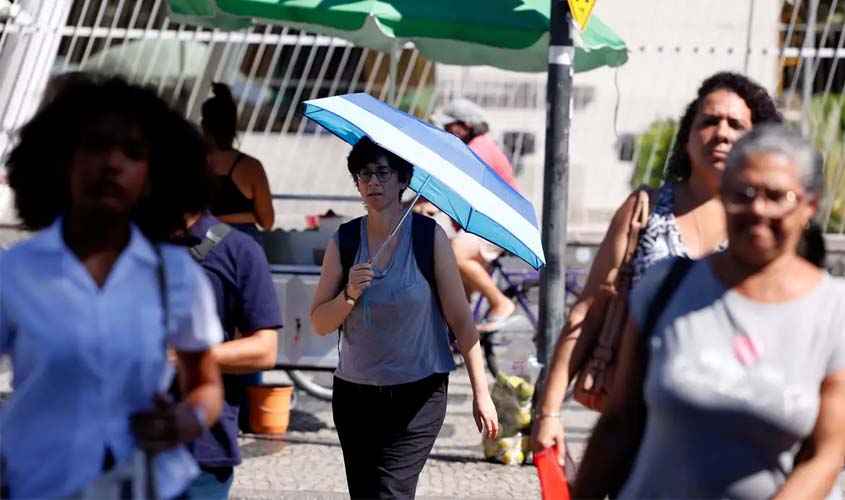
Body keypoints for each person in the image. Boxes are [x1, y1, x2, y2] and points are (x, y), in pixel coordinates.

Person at [574, 125, 845, 499]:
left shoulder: (833, 312)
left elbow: (825, 453)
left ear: (809, 205)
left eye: (777, 196)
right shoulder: (666, 286)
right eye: (742, 194)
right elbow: (619, 423)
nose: (758, 210)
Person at [531, 72, 782, 461]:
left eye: (736, 125)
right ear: (687, 136)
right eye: (709, 121)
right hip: (639, 420)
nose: (721, 133)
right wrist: (548, 412)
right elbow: (589, 310)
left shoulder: (766, 220)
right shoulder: (644, 210)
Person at [0, 77, 224, 499]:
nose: (111, 163)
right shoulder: (14, 273)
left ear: (153, 175)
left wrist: (185, 419)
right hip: (39, 485)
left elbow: (206, 384)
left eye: (132, 152)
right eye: (94, 146)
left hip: (151, 487)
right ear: (61, 160)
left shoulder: (175, 275)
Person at [309, 136, 498, 499]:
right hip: (355, 396)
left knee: (391, 494)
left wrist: (481, 393)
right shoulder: (344, 241)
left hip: (418, 393)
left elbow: (461, 321)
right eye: (364, 174)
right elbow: (319, 322)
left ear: (403, 180)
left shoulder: (429, 238)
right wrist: (349, 294)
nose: (373, 182)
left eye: (383, 173)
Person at [179, 210, 282, 499]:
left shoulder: (238, 249)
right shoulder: (127, 245)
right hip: (127, 444)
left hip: (201, 449)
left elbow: (265, 350)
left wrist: (185, 356)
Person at [427, 97, 520, 332]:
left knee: (457, 255)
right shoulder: (472, 146)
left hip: (498, 225)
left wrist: (430, 202)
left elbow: (456, 182)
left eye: (449, 127)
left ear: (465, 126)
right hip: (483, 226)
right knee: (456, 293)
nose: (445, 131)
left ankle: (501, 303)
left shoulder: (480, 148)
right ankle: (455, 341)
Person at [202, 82, 274, 235]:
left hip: (201, 245)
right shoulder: (250, 167)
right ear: (234, 125)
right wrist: (246, 215)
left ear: (204, 125)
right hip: (242, 246)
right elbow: (267, 222)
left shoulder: (189, 163)